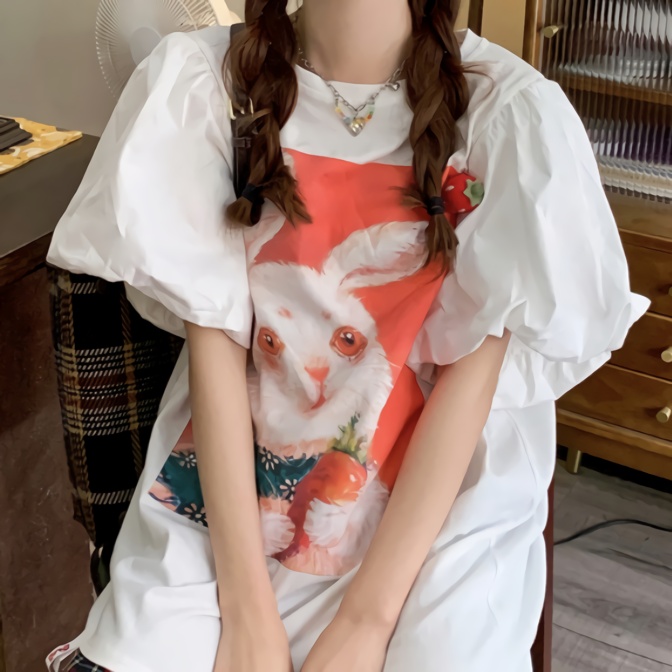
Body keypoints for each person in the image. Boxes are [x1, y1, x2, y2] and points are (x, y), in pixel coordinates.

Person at [45, 0, 648, 670]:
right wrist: (246, 613)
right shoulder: (202, 85)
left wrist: (368, 619)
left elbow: (471, 382)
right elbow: (215, 344)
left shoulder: (508, 114)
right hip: (228, 491)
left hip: (432, 511)